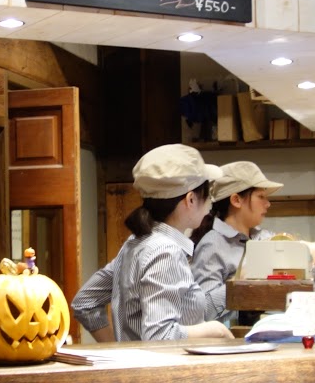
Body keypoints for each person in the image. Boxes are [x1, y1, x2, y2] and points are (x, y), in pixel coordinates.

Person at [72, 144, 234, 342]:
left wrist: (117, 349)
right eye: (207, 194)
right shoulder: (165, 252)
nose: (210, 203)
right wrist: (216, 329)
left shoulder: (136, 243)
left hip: (141, 362)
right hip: (170, 363)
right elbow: (160, 335)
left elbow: (85, 302)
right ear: (190, 199)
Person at [191, 160, 283, 324]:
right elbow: (203, 310)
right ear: (236, 200)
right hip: (231, 337)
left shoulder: (263, 237)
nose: (267, 204)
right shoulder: (212, 244)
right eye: (261, 197)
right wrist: (239, 282)